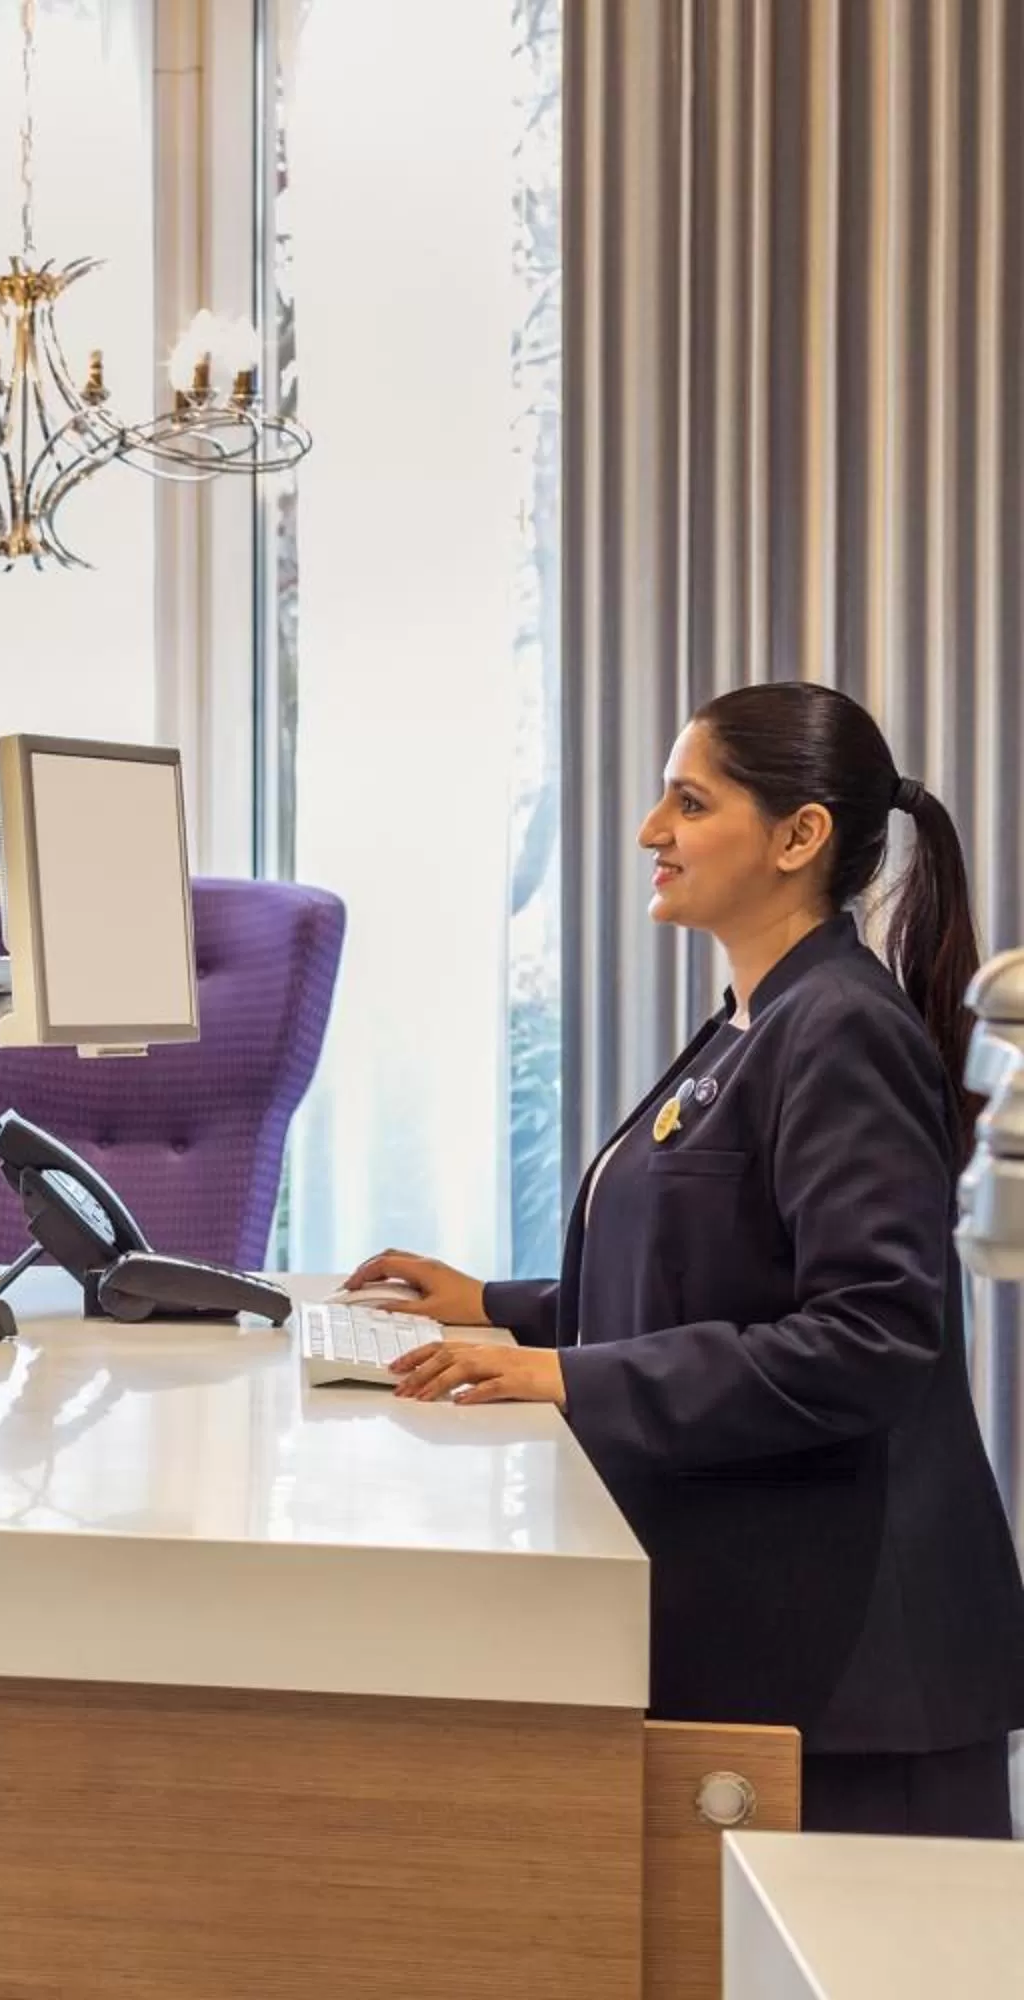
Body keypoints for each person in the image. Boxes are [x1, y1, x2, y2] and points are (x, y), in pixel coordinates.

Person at [353, 680, 1024, 1838]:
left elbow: (870, 1336)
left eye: (690, 800)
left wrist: (571, 1374)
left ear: (797, 836)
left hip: (865, 1669)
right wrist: (499, 1308)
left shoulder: (838, 1026)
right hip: (786, 1631)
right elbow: (712, 1277)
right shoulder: (757, 1016)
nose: (651, 831)